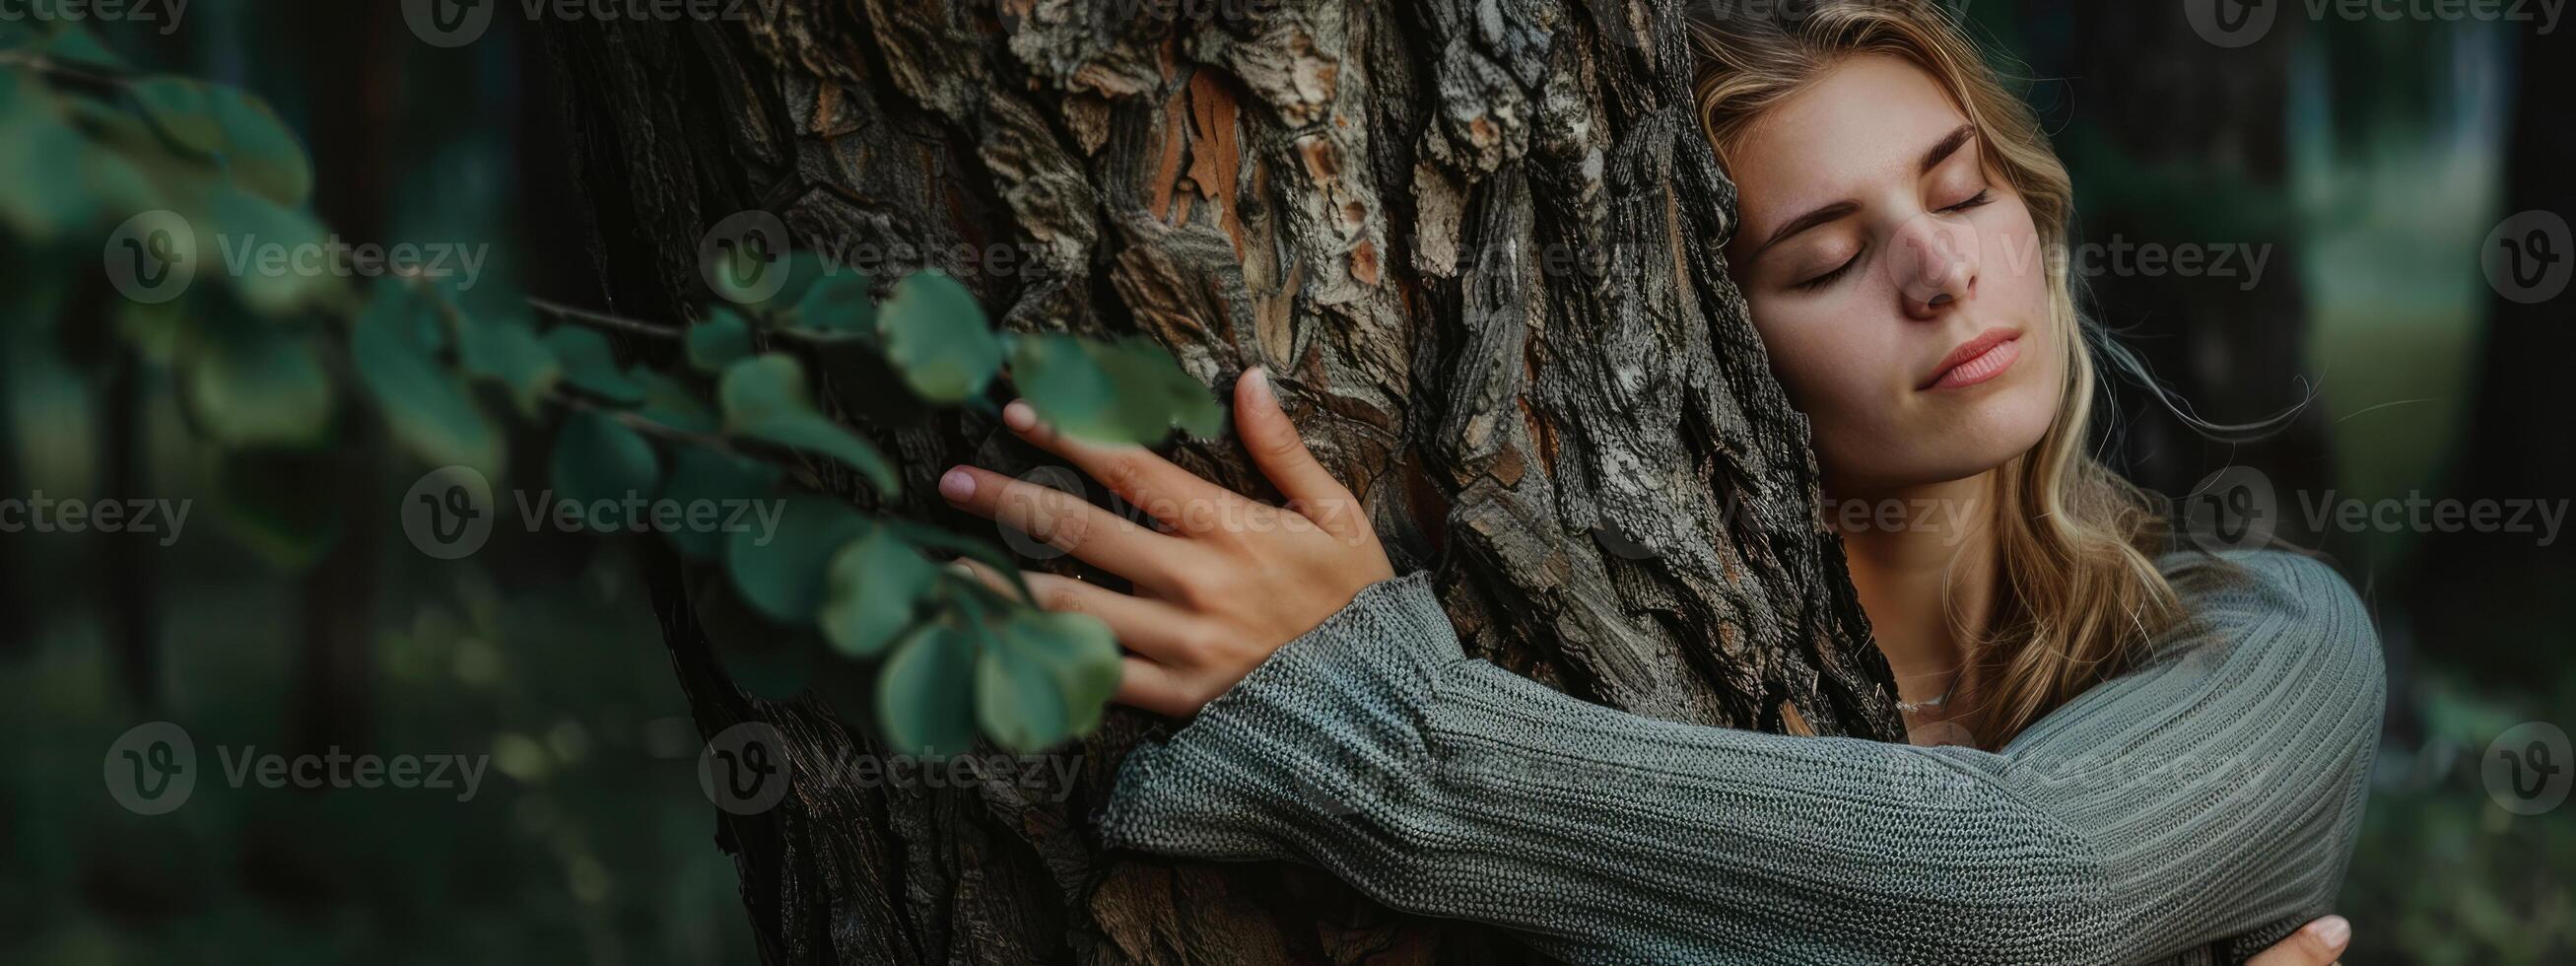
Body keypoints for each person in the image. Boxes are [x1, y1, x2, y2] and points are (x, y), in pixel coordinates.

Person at [933, 2, 2383, 962]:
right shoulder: (1601, 668)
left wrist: (1383, 727)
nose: (1941, 272)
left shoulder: (2263, 635)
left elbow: (2041, 877)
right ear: (1709, 353)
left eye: (1959, 190)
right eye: (1823, 258)